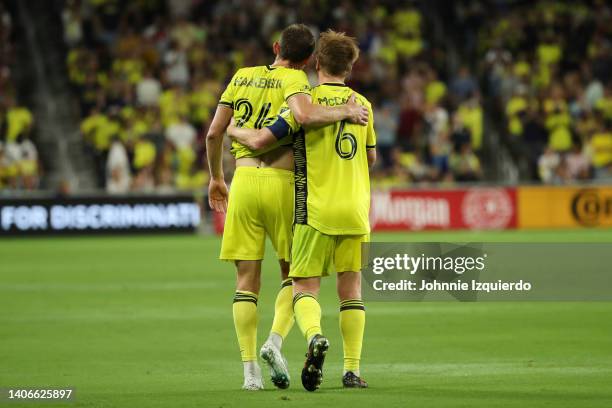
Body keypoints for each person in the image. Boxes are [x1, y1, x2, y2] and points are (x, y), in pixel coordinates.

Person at [205, 24, 369, 391]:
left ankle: (250, 374)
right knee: (295, 278)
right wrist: (343, 109)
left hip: (243, 183)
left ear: (276, 46)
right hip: (283, 186)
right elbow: (303, 118)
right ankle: (275, 342)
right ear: (308, 61)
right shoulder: (297, 84)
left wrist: (217, 177)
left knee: (245, 281)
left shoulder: (241, 76)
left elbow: (215, 132)